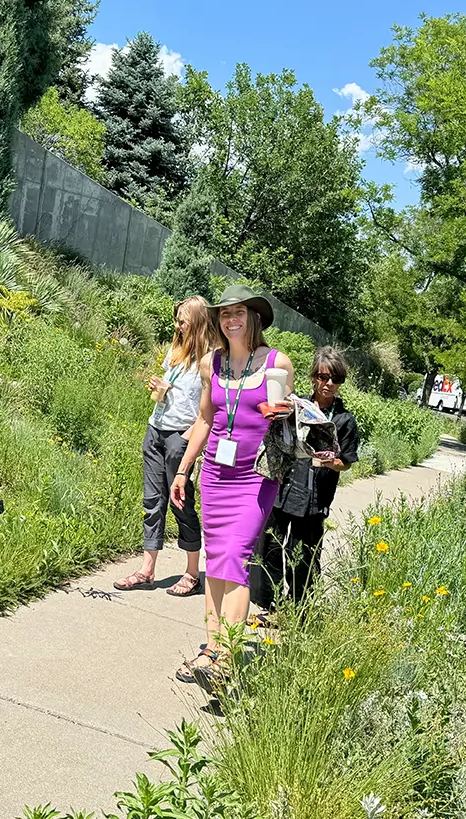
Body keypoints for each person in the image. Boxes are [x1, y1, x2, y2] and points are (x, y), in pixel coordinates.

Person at [169, 284, 295, 686]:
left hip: (256, 476)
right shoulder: (211, 363)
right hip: (216, 476)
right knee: (216, 561)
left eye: (239, 312)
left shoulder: (277, 362)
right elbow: (205, 420)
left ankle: (226, 657)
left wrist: (286, 413)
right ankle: (212, 649)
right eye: (225, 314)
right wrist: (183, 470)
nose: (232, 320)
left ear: (254, 318)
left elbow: (292, 426)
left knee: (236, 557)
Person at [115, 297, 217, 596]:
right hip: (156, 429)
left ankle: (191, 572)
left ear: (198, 321)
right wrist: (159, 390)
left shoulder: (211, 360)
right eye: (177, 319)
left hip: (180, 437)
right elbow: (168, 395)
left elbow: (207, 409)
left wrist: (188, 439)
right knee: (152, 501)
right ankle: (147, 570)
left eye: (183, 320)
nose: (178, 325)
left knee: (181, 502)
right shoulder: (175, 351)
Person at [249, 347, 359, 619]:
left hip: (314, 495)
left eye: (336, 379)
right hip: (283, 485)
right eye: (323, 377)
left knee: (303, 555)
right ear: (313, 377)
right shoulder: (296, 407)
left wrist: (328, 461)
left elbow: (346, 461)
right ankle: (270, 606)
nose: (329, 384)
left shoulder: (345, 420)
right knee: (269, 546)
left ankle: (299, 612)